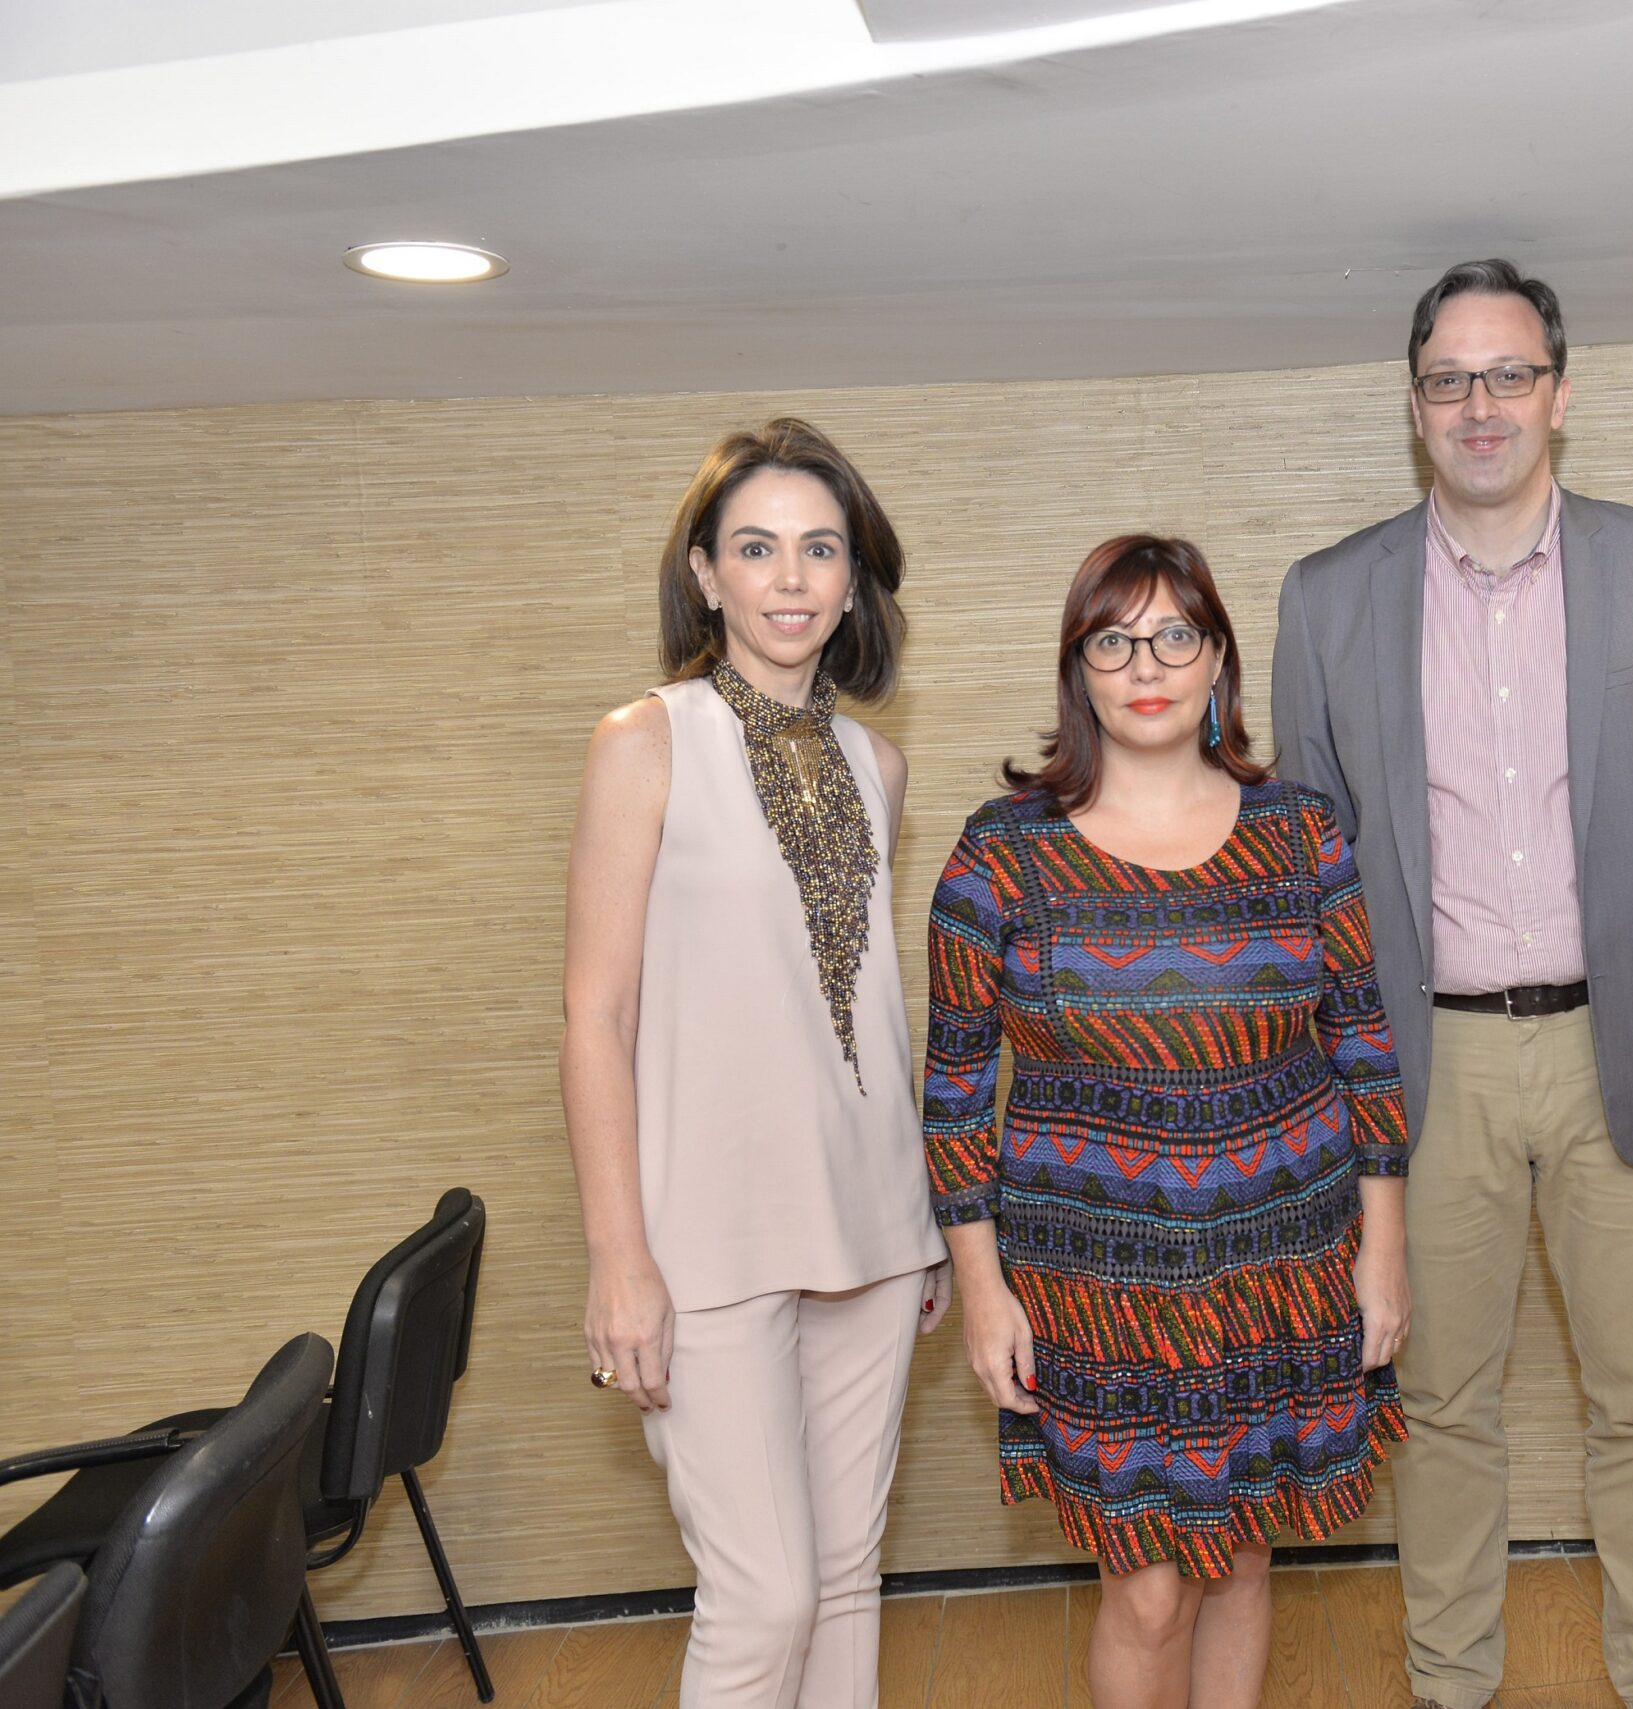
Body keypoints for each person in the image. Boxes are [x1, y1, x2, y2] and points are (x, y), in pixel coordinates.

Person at [1269, 259, 1633, 1709]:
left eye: (1510, 374)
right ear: (1414, 406)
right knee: (1439, 1402)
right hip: (1432, 1068)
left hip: (1623, 1042)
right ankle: (1450, 1681)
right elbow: (1312, 836)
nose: (1480, 405)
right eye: (1448, 380)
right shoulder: (1329, 596)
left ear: (1562, 389)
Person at [922, 535, 1410, 1709]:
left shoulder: (1302, 835)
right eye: (1113, 639)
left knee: (1244, 1546)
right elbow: (949, 1092)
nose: (1147, 664)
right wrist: (981, 1288)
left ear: (1218, 660)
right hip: (1094, 1284)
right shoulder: (1002, 853)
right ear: (1076, 669)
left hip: (1283, 1257)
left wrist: (1381, 1251)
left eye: (1175, 634)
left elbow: (1363, 1046)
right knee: (1146, 1586)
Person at [561, 417, 949, 1709]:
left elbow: (860, 1006)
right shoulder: (644, 739)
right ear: (706, 571)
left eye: (819, 548)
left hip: (874, 1228)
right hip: (703, 1237)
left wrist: (928, 1223)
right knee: (763, 1596)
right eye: (758, 547)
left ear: (853, 580)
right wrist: (620, 1258)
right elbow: (595, 1016)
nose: (790, 578)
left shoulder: (878, 765)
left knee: (843, 1582)